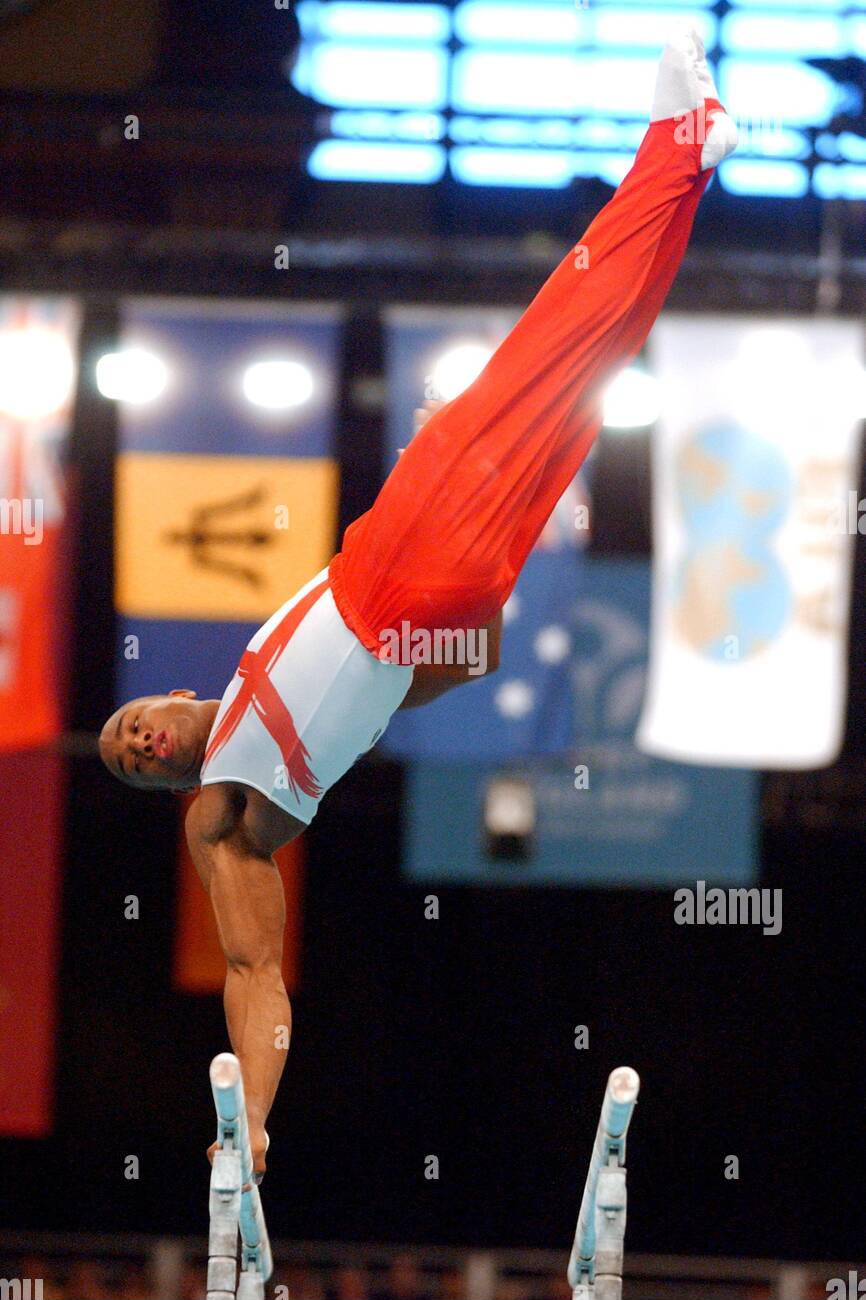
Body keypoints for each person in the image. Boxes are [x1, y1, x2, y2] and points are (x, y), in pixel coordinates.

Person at [100, 30, 737, 1175]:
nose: (138, 744)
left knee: (579, 368)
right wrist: (248, 1115)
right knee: (549, 357)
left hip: (411, 584)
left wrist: (449, 641)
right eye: (132, 763)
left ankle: (685, 152)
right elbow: (256, 973)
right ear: (168, 784)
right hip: (401, 577)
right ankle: (676, 147)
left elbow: (448, 670)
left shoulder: (248, 682)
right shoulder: (229, 816)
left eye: (126, 725)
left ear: (173, 692)